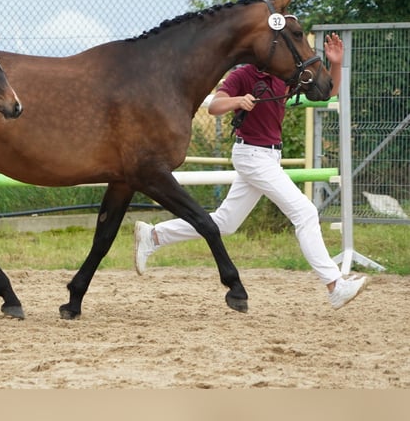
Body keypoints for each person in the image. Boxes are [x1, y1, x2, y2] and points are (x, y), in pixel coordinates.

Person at [134, 32, 367, 309]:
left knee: (225, 223)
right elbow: (215, 106)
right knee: (304, 213)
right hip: (252, 155)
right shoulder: (242, 75)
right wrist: (237, 101)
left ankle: (155, 235)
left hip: (268, 156)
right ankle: (334, 285)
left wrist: (336, 64)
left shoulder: (283, 75)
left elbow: (327, 92)